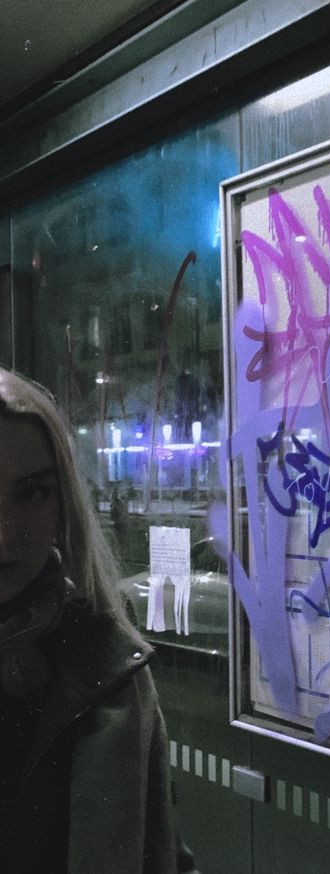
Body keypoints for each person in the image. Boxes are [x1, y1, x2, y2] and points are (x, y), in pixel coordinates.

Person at [0, 367, 197, 873]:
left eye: (33, 493)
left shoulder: (110, 667)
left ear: (62, 499)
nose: (5, 536)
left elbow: (161, 853)